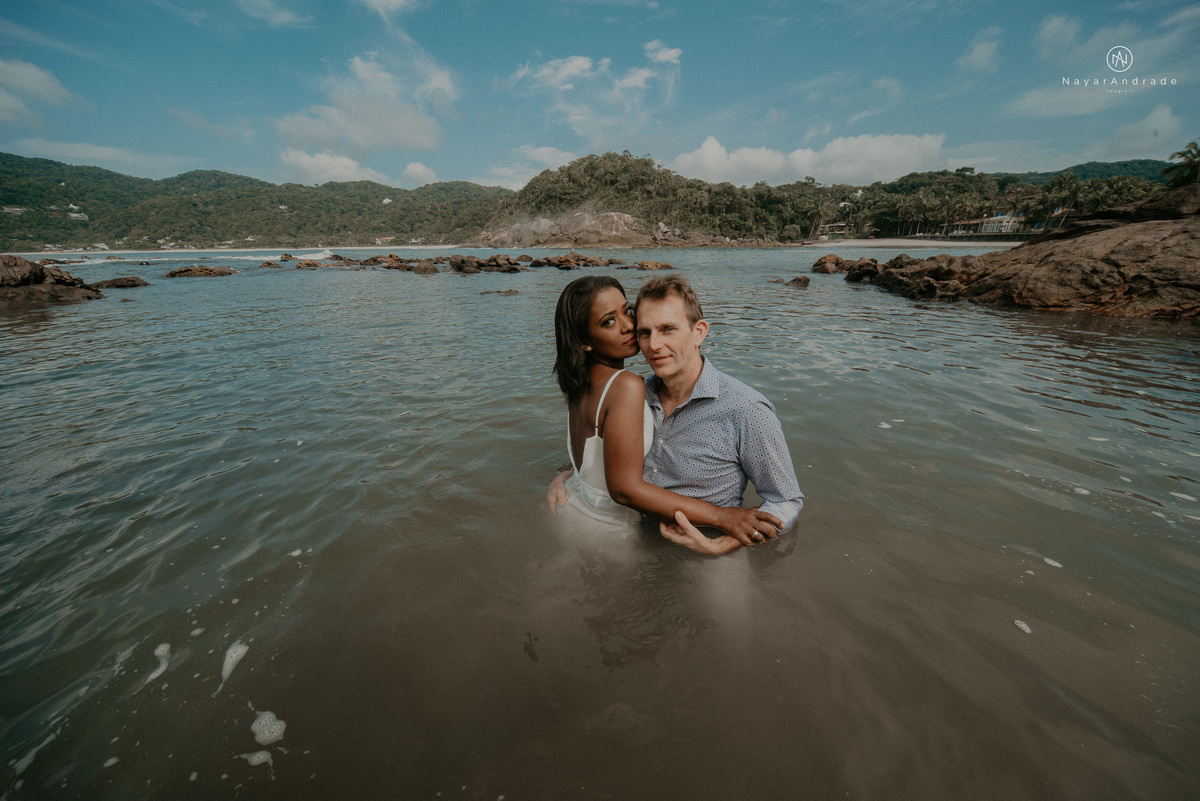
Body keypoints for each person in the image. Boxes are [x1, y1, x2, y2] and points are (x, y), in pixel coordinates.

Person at [549, 274, 801, 555]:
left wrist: (723, 543)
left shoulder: (745, 409)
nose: (654, 345)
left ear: (699, 332)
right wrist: (567, 477)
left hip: (710, 541)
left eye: (668, 329)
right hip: (638, 540)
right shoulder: (636, 393)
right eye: (644, 332)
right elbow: (608, 461)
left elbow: (785, 501)